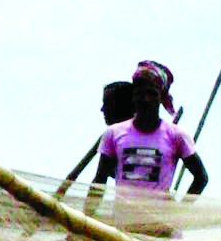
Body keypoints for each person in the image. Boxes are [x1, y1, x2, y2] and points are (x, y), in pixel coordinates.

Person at [85, 60, 207, 220]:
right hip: (123, 225)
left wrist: (178, 214)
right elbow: (99, 182)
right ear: (134, 97)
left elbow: (201, 177)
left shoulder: (176, 135)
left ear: (161, 97)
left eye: (152, 93)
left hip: (160, 228)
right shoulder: (114, 134)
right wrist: (85, 220)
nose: (145, 99)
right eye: (140, 94)